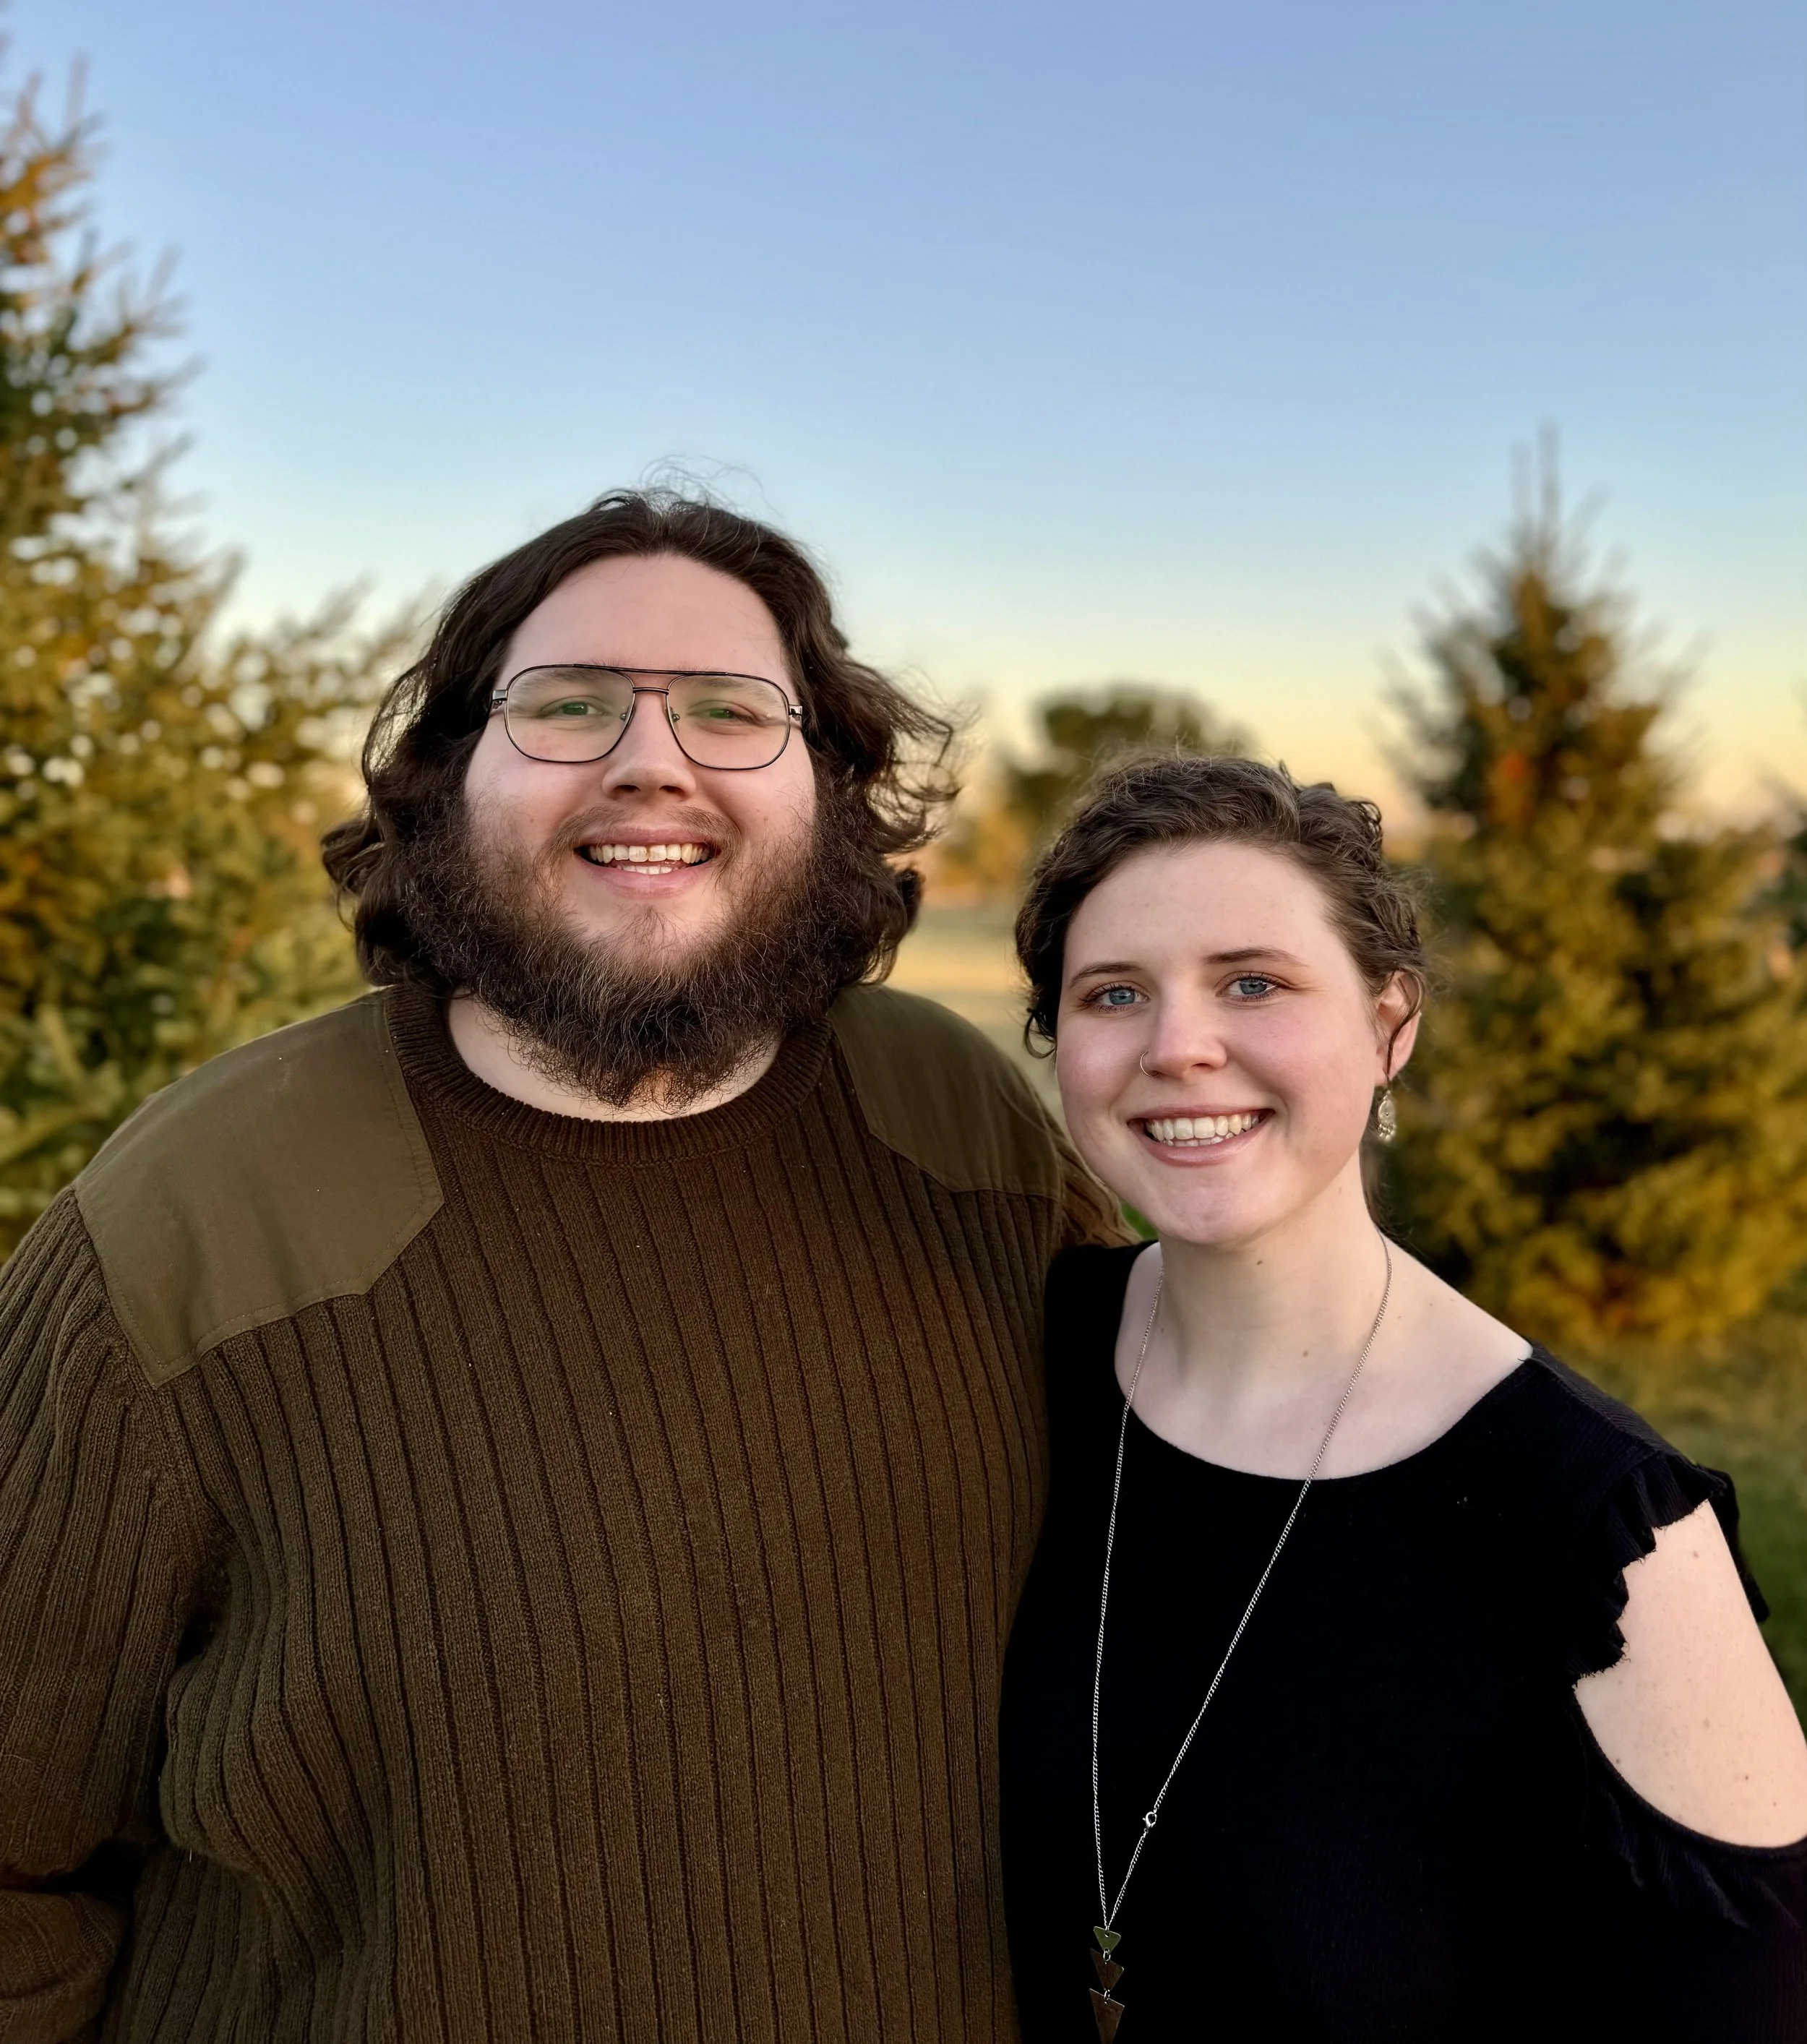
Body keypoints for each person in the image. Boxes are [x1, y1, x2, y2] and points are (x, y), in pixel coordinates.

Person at [0, 490, 1124, 2043]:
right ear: (450, 779)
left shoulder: (969, 1131)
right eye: (568, 704)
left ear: (829, 784)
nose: (648, 757)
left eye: (733, 710)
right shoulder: (192, 1223)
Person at [998, 754, 1807, 2043]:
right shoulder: (1030, 1359)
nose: (1179, 1046)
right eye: (1115, 995)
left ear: (1392, 1026)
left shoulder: (1604, 1537)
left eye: (1253, 982)